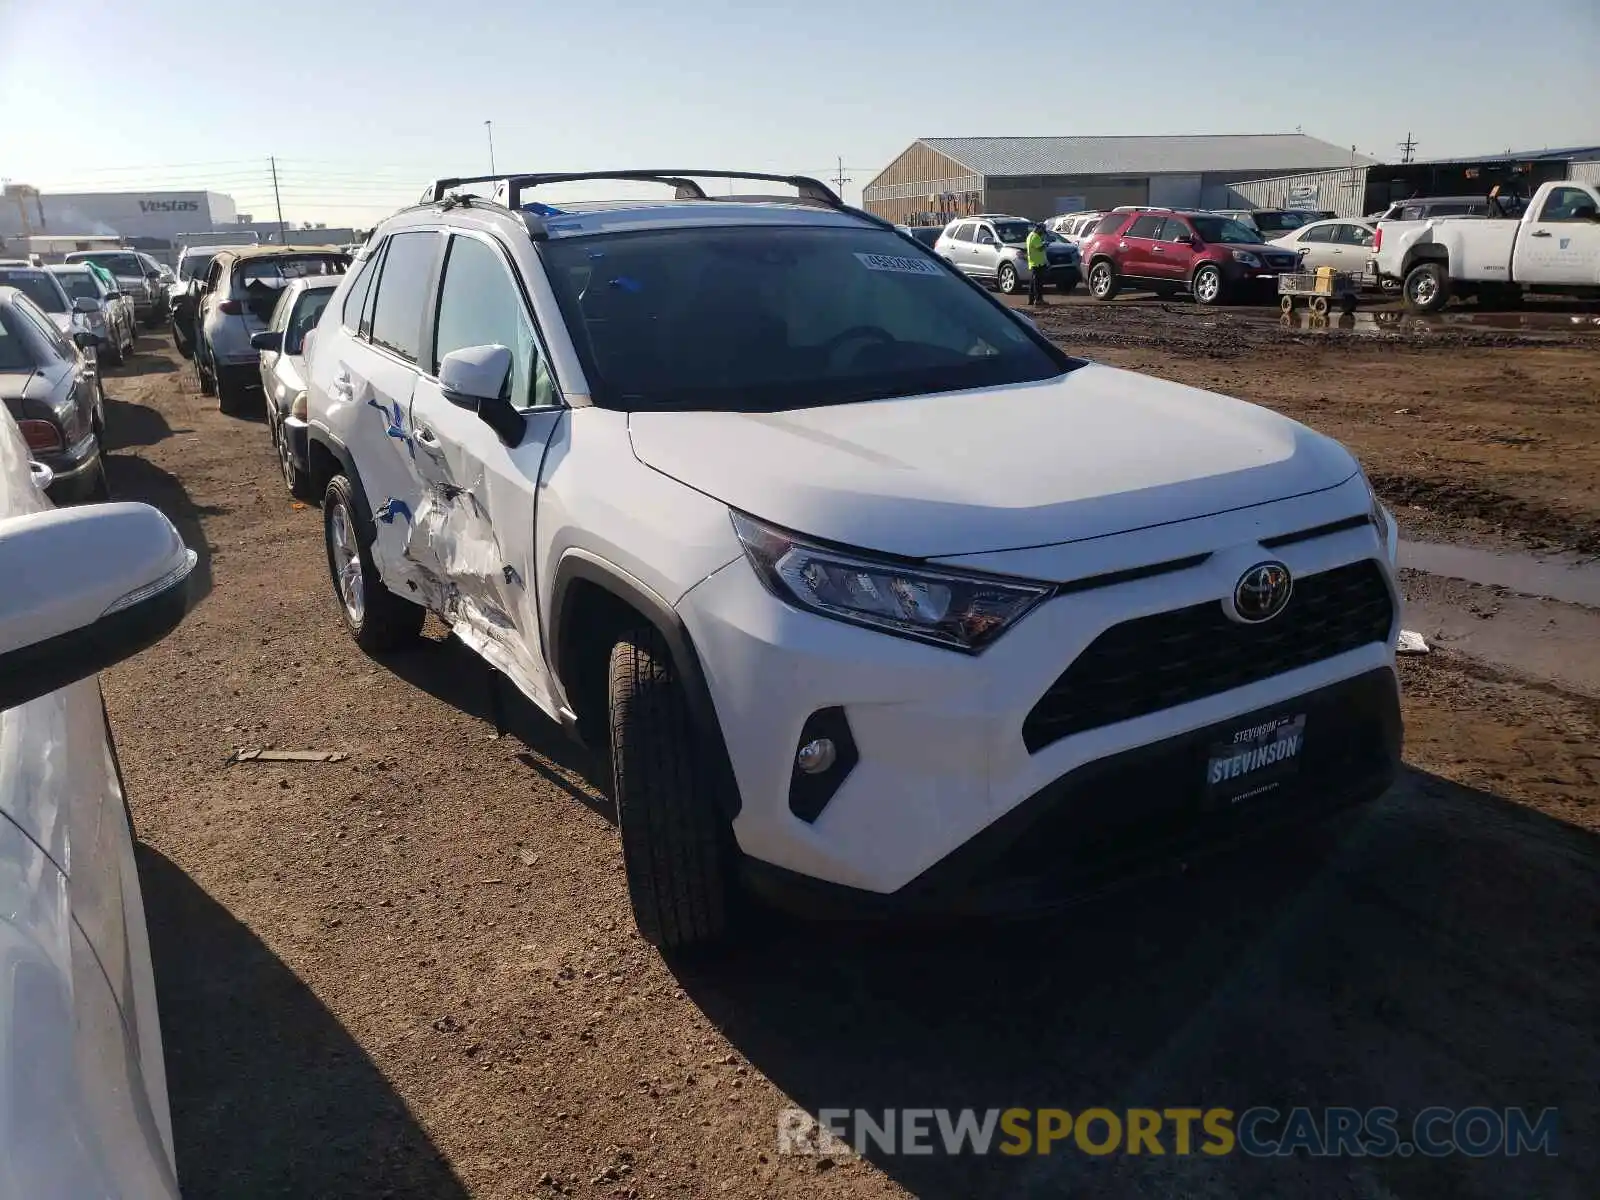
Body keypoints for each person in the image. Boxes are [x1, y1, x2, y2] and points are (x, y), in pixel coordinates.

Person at [1025, 222, 1049, 306]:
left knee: (1032, 283)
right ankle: (1038, 300)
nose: (1042, 233)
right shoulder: (1036, 237)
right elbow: (1039, 248)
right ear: (1038, 229)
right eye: (1042, 231)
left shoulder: (1030, 236)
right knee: (1038, 283)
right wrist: (1045, 244)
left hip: (1033, 263)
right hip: (1038, 264)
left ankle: (1031, 300)